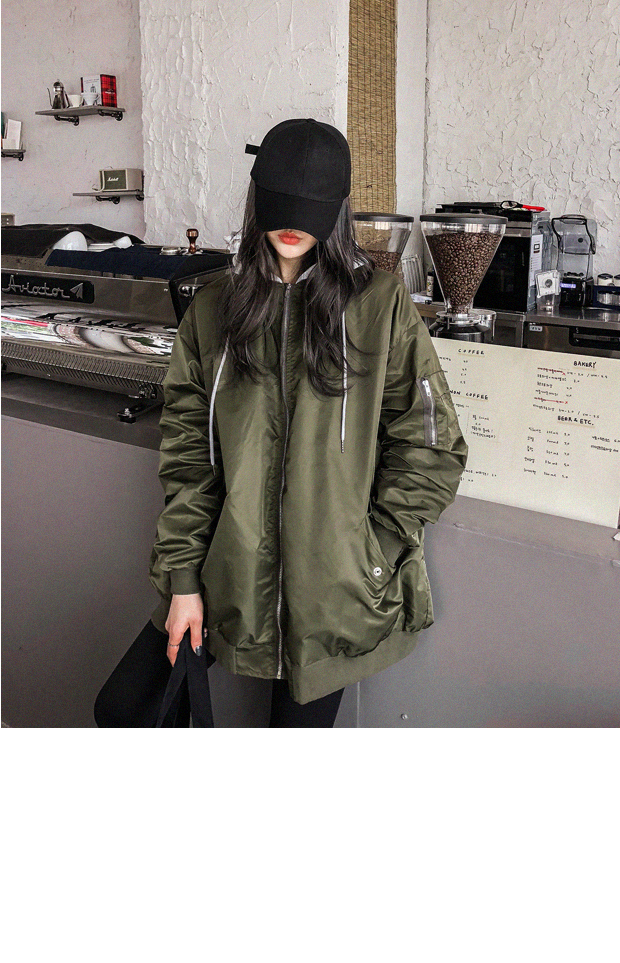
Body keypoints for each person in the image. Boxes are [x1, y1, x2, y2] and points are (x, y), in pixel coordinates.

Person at [147, 114, 467, 726]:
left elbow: (430, 445)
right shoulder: (213, 310)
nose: (293, 225)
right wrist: (183, 578)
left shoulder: (379, 305)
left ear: (338, 210)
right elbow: (189, 459)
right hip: (229, 585)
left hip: (338, 601)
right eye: (282, 203)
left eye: (313, 208)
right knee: (132, 708)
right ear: (257, 199)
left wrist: (373, 552)